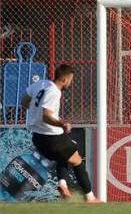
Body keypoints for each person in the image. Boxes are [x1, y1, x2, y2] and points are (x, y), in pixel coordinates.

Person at [21, 64, 100, 203]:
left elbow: (24, 100)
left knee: (64, 155)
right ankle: (90, 197)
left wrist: (33, 111)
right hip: (52, 137)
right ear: (65, 79)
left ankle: (62, 184)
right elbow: (46, 115)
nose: (70, 82)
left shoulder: (41, 84)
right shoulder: (54, 91)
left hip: (37, 138)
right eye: (71, 80)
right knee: (77, 160)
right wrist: (62, 124)